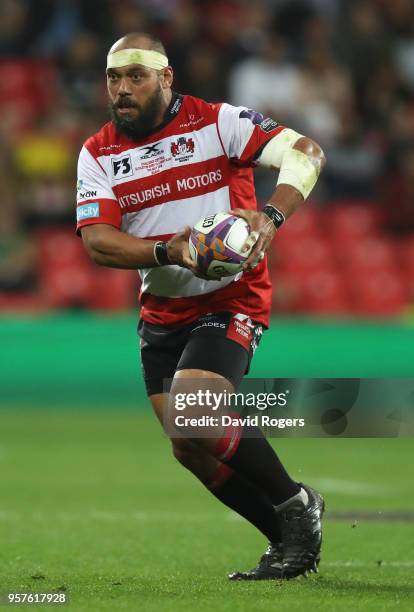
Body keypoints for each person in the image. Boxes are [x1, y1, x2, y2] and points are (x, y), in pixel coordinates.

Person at [76, 32, 326, 580]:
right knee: (189, 449)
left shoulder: (218, 123)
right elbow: (97, 241)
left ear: (166, 78)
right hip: (163, 313)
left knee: (197, 409)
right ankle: (287, 542)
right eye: (114, 78)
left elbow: (307, 151)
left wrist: (271, 216)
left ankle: (298, 506)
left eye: (135, 76)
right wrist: (170, 251)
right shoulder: (98, 152)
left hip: (232, 297)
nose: (122, 89)